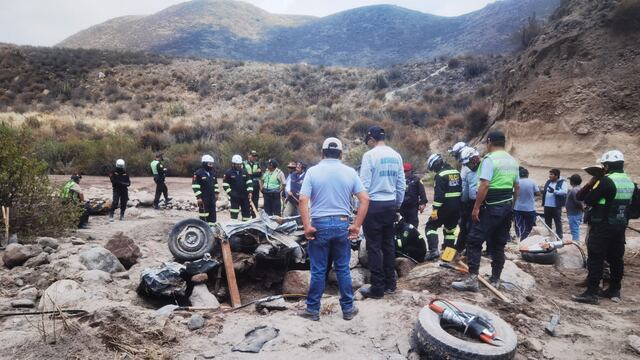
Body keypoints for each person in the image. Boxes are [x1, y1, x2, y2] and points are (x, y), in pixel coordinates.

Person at [298, 137, 369, 321]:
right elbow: (365, 200)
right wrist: (356, 225)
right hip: (341, 223)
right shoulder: (350, 172)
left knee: (319, 269)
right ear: (341, 154)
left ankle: (313, 310)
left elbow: (303, 200)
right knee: (343, 269)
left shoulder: (312, 172)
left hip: (320, 224)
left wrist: (307, 226)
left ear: (322, 153)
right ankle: (348, 309)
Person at [452, 130, 519, 292]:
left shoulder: (489, 160)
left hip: (490, 206)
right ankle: (496, 278)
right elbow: (516, 187)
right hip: (506, 206)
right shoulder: (512, 161)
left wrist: (476, 208)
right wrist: (512, 206)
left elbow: (484, 185)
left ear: (489, 142)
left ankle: (472, 280)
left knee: (474, 241)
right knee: (498, 244)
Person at [572, 150, 636, 304]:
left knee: (596, 258)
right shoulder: (629, 182)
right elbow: (635, 209)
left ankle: (592, 292)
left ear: (607, 166)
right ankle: (614, 290)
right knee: (616, 259)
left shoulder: (607, 181)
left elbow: (589, 199)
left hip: (602, 225)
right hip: (620, 226)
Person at [358, 126, 405, 299]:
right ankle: (391, 284)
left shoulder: (369, 156)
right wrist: (397, 204)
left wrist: (359, 208)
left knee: (374, 247)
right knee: (388, 245)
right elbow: (401, 183)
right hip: (390, 204)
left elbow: (364, 185)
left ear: (371, 139)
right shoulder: (396, 155)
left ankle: (377, 288)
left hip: (373, 205)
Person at [424, 153, 461, 261]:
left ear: (435, 164)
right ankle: (447, 256)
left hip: (444, 207)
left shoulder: (440, 175)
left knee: (430, 227)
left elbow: (439, 196)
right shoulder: (456, 172)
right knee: (450, 230)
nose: (434, 170)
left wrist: (435, 210)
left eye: (433, 168)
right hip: (457, 207)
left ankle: (433, 251)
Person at [456, 147, 480, 253]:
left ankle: (469, 249)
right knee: (466, 226)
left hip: (479, 202)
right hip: (470, 203)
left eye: (468, 164)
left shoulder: (485, 167)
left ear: (474, 159)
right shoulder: (468, 168)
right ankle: (463, 248)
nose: (468, 166)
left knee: (471, 227)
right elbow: (465, 188)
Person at [513, 167, 540, 240]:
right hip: (530, 208)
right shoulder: (532, 182)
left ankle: (520, 237)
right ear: (528, 174)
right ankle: (529, 238)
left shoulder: (516, 182)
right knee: (530, 225)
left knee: (520, 225)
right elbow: (538, 193)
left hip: (518, 208)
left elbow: (514, 193)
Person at [223, 155, 253, 221]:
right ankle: (234, 226)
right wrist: (231, 193)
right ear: (233, 164)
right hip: (234, 197)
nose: (239, 166)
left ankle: (246, 227)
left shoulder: (244, 171)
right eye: (237, 164)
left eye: (240, 164)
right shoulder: (228, 172)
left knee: (246, 213)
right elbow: (225, 185)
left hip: (245, 196)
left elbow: (249, 182)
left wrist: (250, 192)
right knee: (234, 213)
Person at [192, 155, 219, 226]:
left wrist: (216, 193)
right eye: (209, 164)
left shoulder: (213, 173)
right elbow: (195, 186)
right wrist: (198, 197)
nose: (211, 166)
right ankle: (204, 228)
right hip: (203, 198)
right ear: (204, 163)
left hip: (212, 197)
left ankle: (212, 229)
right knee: (204, 215)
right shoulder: (198, 173)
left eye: (212, 164)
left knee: (212, 214)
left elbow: (215, 184)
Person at [399, 163, 428, 228]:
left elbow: (422, 192)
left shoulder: (416, 180)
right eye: (403, 171)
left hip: (412, 207)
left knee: (413, 226)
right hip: (401, 207)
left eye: (406, 171)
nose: (404, 173)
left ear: (410, 171)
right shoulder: (399, 179)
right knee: (401, 225)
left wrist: (423, 203)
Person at [542, 168, 567, 239]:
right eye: (549, 174)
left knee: (557, 222)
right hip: (547, 205)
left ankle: (559, 237)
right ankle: (549, 237)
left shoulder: (562, 182)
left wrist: (554, 191)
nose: (549, 176)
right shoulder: (548, 182)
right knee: (547, 222)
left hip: (556, 206)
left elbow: (564, 192)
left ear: (556, 176)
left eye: (551, 174)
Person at [566, 174, 584, 242]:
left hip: (574, 213)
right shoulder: (579, 188)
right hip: (576, 213)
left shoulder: (575, 190)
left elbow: (578, 201)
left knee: (574, 229)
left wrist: (582, 208)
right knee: (575, 228)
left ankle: (576, 243)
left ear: (572, 182)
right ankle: (576, 241)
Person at [243, 150, 262, 218]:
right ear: (249, 155)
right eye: (253, 156)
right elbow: (244, 173)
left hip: (256, 186)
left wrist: (251, 174)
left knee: (255, 202)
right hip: (247, 186)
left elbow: (259, 174)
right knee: (246, 202)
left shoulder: (257, 164)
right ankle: (247, 217)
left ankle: (254, 217)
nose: (254, 158)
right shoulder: (244, 163)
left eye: (255, 156)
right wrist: (254, 174)